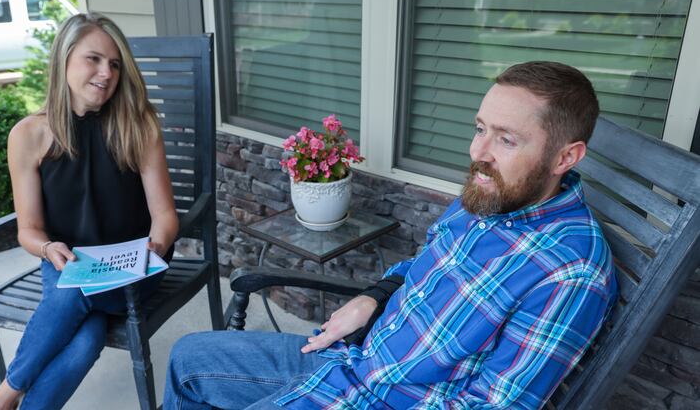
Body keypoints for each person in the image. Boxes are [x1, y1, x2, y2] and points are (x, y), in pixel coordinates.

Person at [163, 61, 618, 409]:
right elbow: (421, 267)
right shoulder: (491, 197)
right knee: (188, 359)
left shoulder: (570, 271)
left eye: (506, 140)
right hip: (351, 357)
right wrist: (374, 296)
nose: (477, 153)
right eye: (480, 129)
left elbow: (494, 404)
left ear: (565, 158)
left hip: (378, 396)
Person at [0, 13, 179, 410]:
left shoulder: (137, 126)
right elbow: (30, 230)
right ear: (64, 58)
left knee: (70, 296)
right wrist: (47, 248)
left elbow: (165, 216)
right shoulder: (28, 135)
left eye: (114, 64)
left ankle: (3, 396)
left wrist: (154, 248)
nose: (105, 73)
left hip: (132, 267)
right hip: (67, 263)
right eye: (93, 59)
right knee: (86, 336)